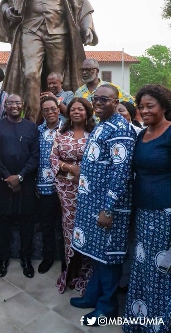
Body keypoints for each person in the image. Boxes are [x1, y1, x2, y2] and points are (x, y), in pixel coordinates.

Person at [70, 84, 136, 326]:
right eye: (96, 99)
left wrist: (108, 209)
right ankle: (93, 296)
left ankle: (107, 307)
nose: (98, 103)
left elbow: (120, 173)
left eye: (105, 99)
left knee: (108, 257)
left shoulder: (121, 129)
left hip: (109, 209)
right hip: (92, 203)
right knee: (97, 255)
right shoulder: (103, 125)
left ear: (116, 101)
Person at [123, 85, 171, 333]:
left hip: (165, 214)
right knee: (143, 266)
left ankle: (160, 323)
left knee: (161, 268)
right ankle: (141, 319)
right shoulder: (141, 135)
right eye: (141, 107)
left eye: (150, 106)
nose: (144, 110)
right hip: (143, 212)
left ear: (164, 106)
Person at [0, 94, 39, 278]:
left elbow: (35, 155)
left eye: (18, 102)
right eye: (10, 103)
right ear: (5, 106)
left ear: (23, 105)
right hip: (2, 183)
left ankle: (26, 258)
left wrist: (20, 176)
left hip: (26, 183)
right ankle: (3, 258)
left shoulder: (31, 127)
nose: (14, 106)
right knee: (3, 223)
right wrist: (7, 176)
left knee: (27, 222)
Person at [50, 97, 95, 294]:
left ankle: (88, 274)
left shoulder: (95, 134)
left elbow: (99, 160)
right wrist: (70, 168)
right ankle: (71, 272)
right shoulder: (61, 134)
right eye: (73, 109)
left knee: (87, 229)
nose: (76, 112)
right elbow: (53, 158)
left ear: (87, 112)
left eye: (81, 109)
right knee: (69, 229)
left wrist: (82, 173)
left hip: (89, 191)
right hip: (66, 189)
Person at [36, 96, 65, 274]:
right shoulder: (38, 130)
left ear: (58, 109)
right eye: (46, 110)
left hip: (65, 186)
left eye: (53, 108)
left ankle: (65, 259)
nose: (50, 112)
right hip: (44, 186)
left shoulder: (67, 129)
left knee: (64, 225)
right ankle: (47, 257)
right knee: (46, 225)